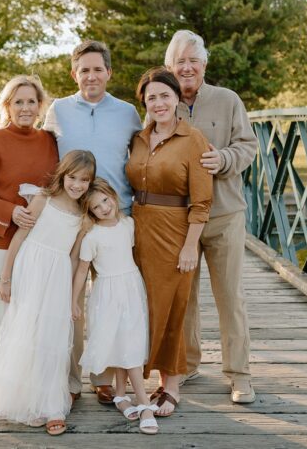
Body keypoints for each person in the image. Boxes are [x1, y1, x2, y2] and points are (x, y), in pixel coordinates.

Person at [44, 40, 143, 404]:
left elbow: (142, 159)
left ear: (109, 73)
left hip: (115, 217)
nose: (91, 76)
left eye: (97, 69)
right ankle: (71, 379)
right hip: (72, 217)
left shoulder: (128, 113)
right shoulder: (57, 109)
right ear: (74, 74)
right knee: (69, 299)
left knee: (113, 300)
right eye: (84, 70)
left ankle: (104, 377)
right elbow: (43, 157)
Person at [0, 150, 96, 436]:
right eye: (73, 178)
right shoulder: (44, 199)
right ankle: (28, 402)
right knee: (26, 333)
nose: (77, 185)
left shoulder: (82, 216)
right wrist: (6, 278)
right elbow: (20, 237)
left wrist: (71, 297)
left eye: (84, 180)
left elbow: (73, 258)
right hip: (30, 269)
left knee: (51, 338)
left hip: (57, 276)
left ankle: (51, 405)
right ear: (63, 175)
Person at [165, 30, 257, 403]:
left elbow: (248, 146)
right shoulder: (163, 101)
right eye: (180, 62)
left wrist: (224, 158)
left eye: (193, 61)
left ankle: (239, 375)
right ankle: (186, 365)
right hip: (179, 219)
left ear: (204, 64)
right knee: (183, 298)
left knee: (230, 297)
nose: (187, 68)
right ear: (169, 67)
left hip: (224, 215)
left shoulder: (228, 100)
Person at [127, 67, 213, 417]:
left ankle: (172, 385)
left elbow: (202, 201)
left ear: (178, 98)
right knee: (141, 306)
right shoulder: (138, 138)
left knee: (173, 307)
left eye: (165, 95)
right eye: (152, 98)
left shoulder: (193, 139)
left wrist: (191, 245)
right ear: (144, 103)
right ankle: (135, 379)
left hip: (174, 231)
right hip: (137, 230)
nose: (159, 103)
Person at [0, 75, 59, 372]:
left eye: (31, 101)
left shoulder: (50, 141)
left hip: (38, 243)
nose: (25, 108)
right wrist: (10, 212)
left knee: (31, 318)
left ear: (40, 106)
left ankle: (25, 385)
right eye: (18, 102)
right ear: (7, 106)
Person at [73, 179, 158, 435]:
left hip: (131, 288)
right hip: (108, 295)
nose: (104, 208)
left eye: (105, 200)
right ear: (90, 213)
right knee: (126, 344)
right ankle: (144, 403)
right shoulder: (92, 237)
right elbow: (82, 271)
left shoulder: (128, 224)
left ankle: (121, 395)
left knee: (128, 341)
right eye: (96, 207)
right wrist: (73, 301)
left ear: (112, 195)